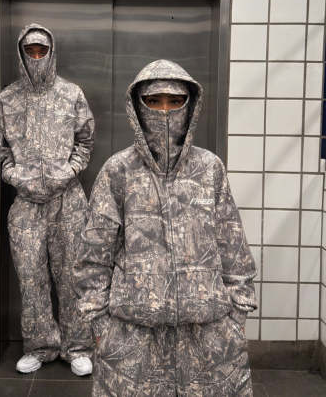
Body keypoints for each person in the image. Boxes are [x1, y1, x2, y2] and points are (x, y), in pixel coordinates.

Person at [73, 59, 257, 396]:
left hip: (208, 339)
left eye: (175, 101)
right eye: (154, 101)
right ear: (138, 108)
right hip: (134, 340)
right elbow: (93, 256)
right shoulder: (119, 171)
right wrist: (100, 325)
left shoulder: (209, 169)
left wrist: (237, 317)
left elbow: (233, 247)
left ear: (191, 105)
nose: (166, 111)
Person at [0, 23, 95, 376]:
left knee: (72, 276)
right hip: (26, 204)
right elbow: (1, 150)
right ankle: (40, 346)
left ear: (52, 52)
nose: (37, 56)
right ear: (21, 53)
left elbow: (85, 141)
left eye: (42, 50)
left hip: (68, 201)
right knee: (30, 277)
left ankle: (78, 347)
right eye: (31, 50)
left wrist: (69, 171)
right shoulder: (7, 99)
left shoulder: (71, 94)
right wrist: (14, 176)